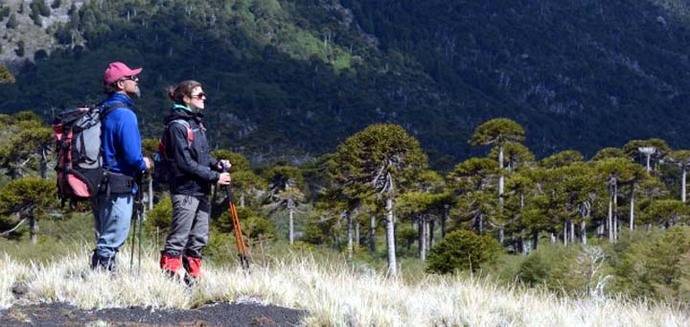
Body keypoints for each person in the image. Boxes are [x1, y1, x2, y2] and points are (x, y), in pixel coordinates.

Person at [159, 80, 231, 283]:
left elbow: (202, 156)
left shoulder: (195, 122)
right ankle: (170, 276)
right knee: (179, 236)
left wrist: (217, 164)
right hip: (185, 190)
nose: (204, 98)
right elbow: (184, 163)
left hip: (200, 189)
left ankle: (193, 275)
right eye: (199, 95)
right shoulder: (177, 126)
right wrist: (215, 177)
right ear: (186, 98)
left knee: (199, 237)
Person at [91, 61, 152, 271]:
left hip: (100, 182)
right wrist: (145, 163)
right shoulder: (124, 114)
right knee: (112, 238)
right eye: (132, 78)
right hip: (119, 184)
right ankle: (101, 282)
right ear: (120, 84)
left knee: (104, 234)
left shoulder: (103, 109)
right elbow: (133, 156)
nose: (136, 81)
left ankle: (100, 279)